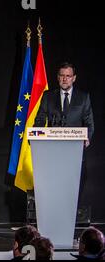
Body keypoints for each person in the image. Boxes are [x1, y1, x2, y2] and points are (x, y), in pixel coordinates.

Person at [34, 62, 94, 207]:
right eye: (62, 76)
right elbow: (40, 120)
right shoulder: (48, 96)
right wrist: (36, 137)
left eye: (68, 76)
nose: (65, 79)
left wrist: (87, 139)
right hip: (52, 152)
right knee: (53, 187)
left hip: (74, 152)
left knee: (73, 188)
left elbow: (89, 123)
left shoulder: (83, 97)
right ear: (57, 77)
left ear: (74, 78)